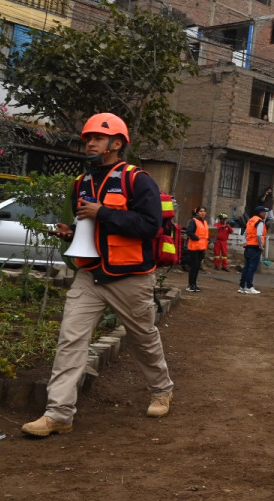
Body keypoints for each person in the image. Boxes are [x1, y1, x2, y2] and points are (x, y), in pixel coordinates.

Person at [22, 113, 174, 437]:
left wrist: (102, 212)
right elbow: (91, 227)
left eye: (98, 138)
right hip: (90, 276)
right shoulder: (81, 183)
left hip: (130, 278)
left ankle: (161, 390)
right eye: (87, 138)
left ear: (116, 144)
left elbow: (150, 226)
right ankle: (59, 414)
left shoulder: (137, 179)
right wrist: (71, 233)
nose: (90, 143)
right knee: (70, 340)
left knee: (144, 338)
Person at [237, 205, 267, 295]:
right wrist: (261, 246)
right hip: (255, 247)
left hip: (248, 246)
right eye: (264, 212)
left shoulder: (251, 220)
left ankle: (242, 287)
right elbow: (258, 235)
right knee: (252, 268)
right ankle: (249, 286)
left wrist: (245, 242)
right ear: (261, 213)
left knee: (246, 267)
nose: (265, 214)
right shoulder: (260, 222)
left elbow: (245, 233)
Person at [184, 206, 208, 291]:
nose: (203, 213)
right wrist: (196, 238)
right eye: (201, 211)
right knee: (193, 267)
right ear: (197, 212)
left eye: (204, 211)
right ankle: (190, 285)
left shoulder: (204, 222)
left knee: (197, 267)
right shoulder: (193, 221)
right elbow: (189, 232)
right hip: (194, 248)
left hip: (201, 248)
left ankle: (194, 284)